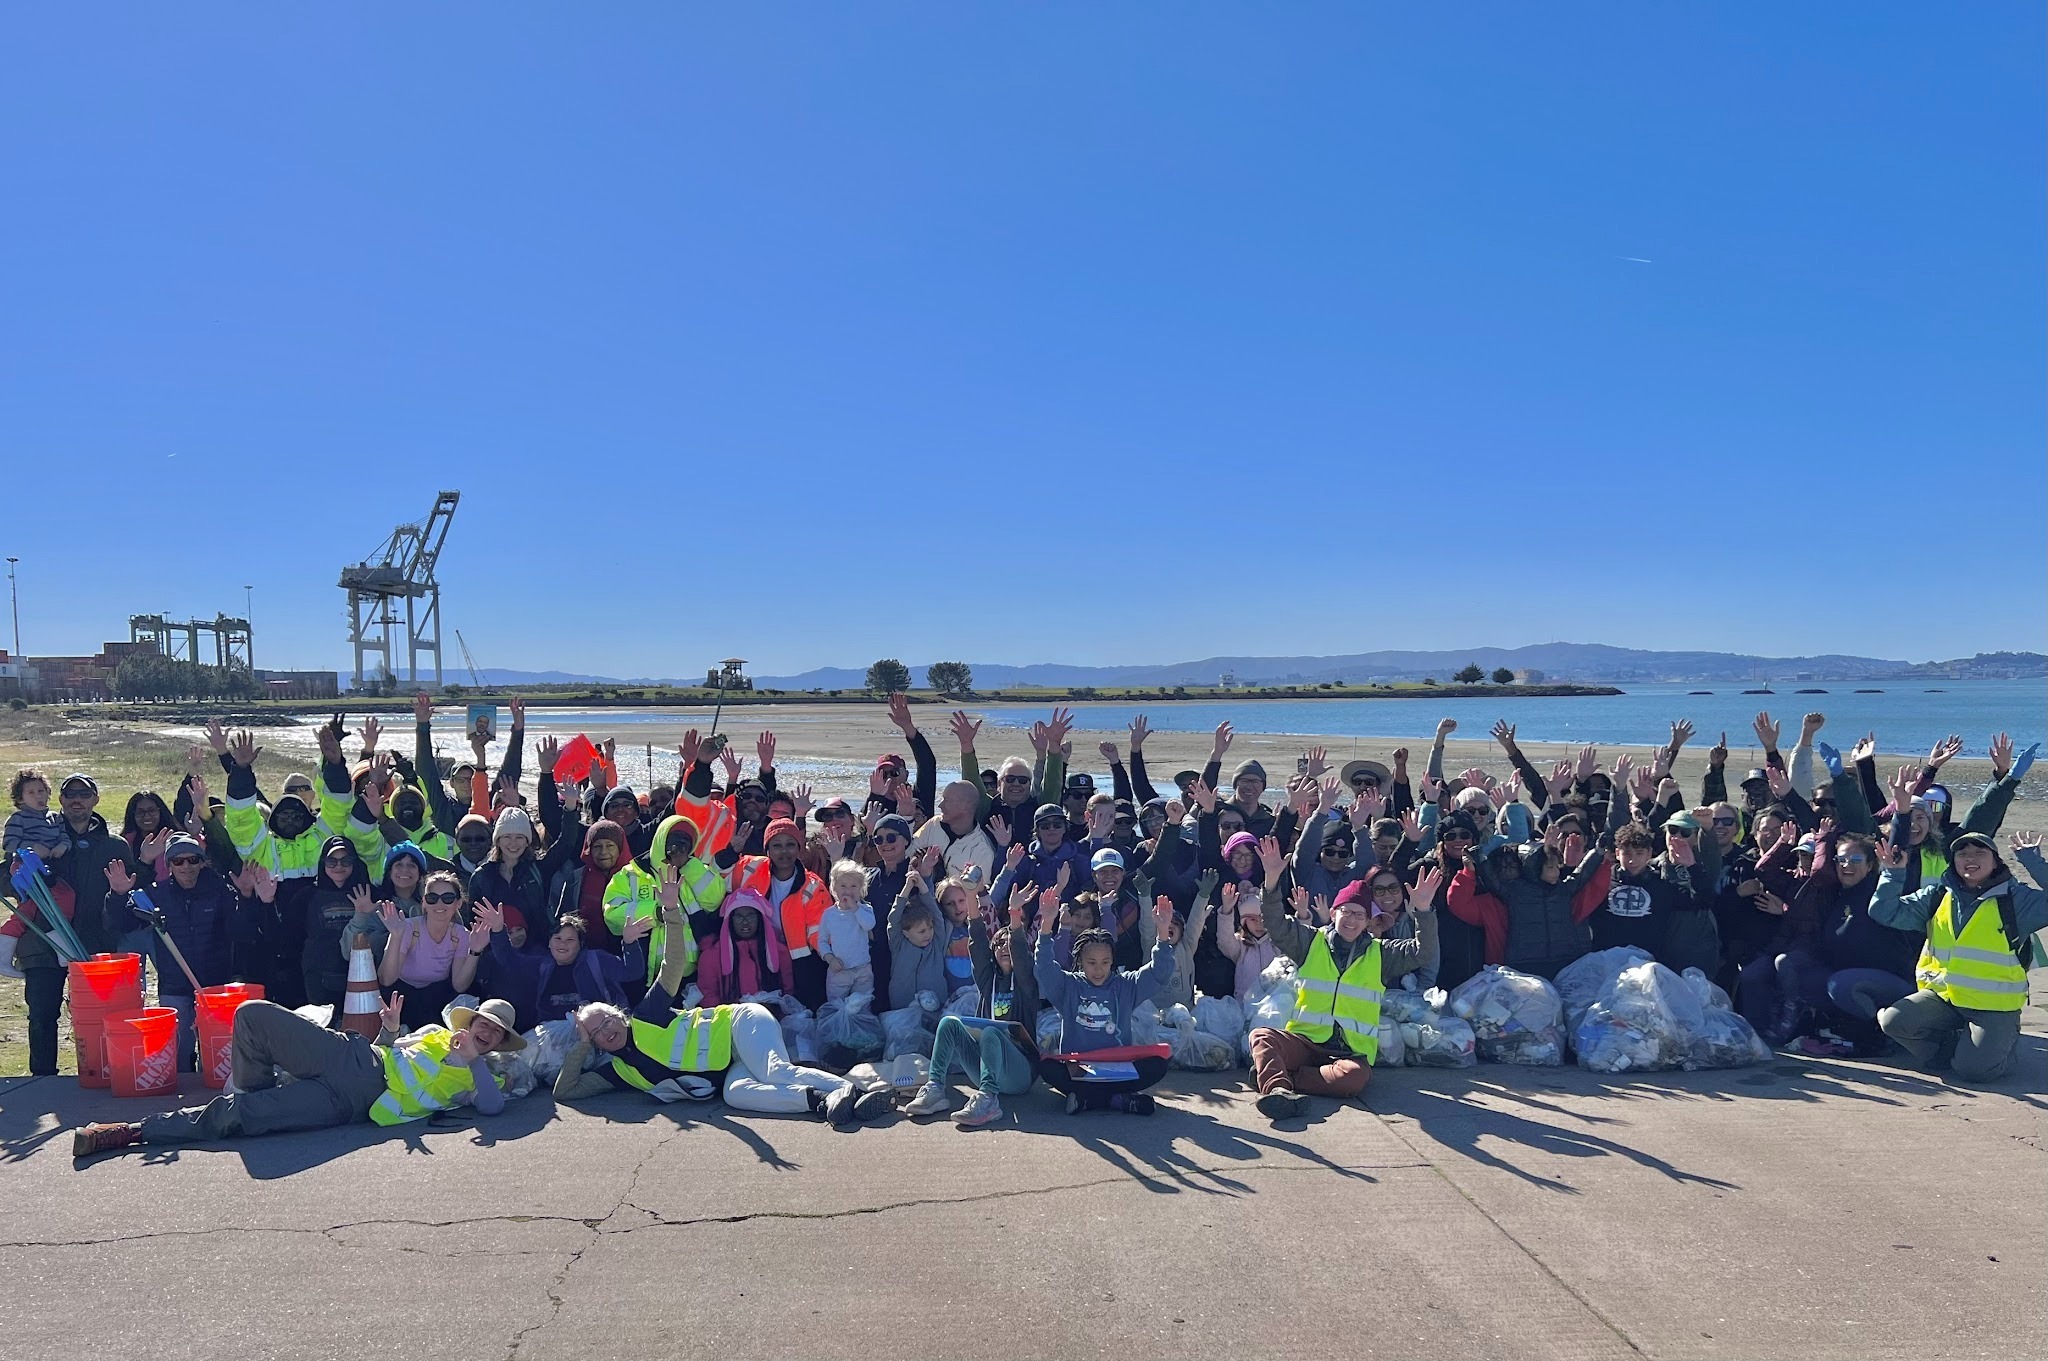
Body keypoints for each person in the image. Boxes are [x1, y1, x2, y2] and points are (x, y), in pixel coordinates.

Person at [550, 887, 889, 1123]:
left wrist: (670, 911)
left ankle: (850, 1089)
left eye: (606, 1021)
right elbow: (565, 1092)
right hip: (730, 1065)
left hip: (740, 1023)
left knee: (773, 1071)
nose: (605, 1031)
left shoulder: (647, 1014)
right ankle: (819, 1100)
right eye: (595, 1032)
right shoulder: (618, 1071)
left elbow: (672, 965)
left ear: (619, 1015)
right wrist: (580, 1045)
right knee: (738, 1094)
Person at [71, 993, 518, 1158]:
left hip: (353, 1105)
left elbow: (494, 1110)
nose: (485, 1032)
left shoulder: (486, 1080)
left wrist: (475, 1061)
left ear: (498, 1044)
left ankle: (131, 1133)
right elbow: (390, 1052)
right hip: (355, 1058)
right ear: (469, 1021)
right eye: (482, 1022)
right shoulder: (437, 1033)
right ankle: (256, 1098)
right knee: (251, 1014)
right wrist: (389, 1030)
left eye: (494, 1034)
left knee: (244, 1120)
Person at [1248, 868, 1444, 1120]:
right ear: (1333, 913)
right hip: (1307, 1041)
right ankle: (1278, 1090)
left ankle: (1284, 1075)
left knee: (1352, 1080)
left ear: (1368, 921)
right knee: (1262, 1036)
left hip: (1350, 1053)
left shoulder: (1381, 954)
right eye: (1346, 911)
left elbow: (1422, 952)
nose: (1352, 920)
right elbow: (1275, 923)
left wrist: (1424, 911)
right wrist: (1272, 881)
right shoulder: (1310, 942)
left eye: (1360, 915)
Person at [1868, 830, 2042, 1084]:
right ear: (1954, 861)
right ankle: (1948, 1050)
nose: (1970, 858)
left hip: (1993, 1007)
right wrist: (1893, 873)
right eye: (1962, 853)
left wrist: (2032, 860)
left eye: (1980, 852)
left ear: (1996, 861)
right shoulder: (1938, 895)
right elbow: (1883, 911)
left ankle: (2002, 1046)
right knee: (1894, 1020)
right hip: (1944, 998)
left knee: (1975, 1072)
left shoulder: (2017, 900)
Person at [101, 833, 246, 1072]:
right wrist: (117, 895)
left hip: (215, 986)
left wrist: (247, 896)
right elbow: (122, 924)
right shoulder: (156, 894)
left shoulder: (220, 890)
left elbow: (239, 931)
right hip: (175, 987)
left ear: (201, 862)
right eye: (178, 861)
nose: (186, 866)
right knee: (180, 1051)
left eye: (192, 860)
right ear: (168, 866)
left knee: (218, 1053)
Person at [1033, 888, 1178, 1115]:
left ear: (1112, 961)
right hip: (1079, 1069)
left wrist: (1162, 932)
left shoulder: (1125, 985)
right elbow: (1043, 968)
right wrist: (1047, 925)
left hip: (1118, 1069)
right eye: (1091, 962)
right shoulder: (1068, 986)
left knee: (1158, 1064)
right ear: (1080, 961)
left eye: (1105, 962)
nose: (1098, 969)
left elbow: (1159, 972)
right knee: (1046, 1066)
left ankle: (1089, 1101)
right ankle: (1118, 1101)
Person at [903, 907, 1041, 1126]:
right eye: (999, 944)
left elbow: (1022, 959)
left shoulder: (1027, 984)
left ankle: (988, 1101)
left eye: (1010, 944)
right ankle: (935, 1089)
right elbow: (976, 943)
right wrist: (970, 894)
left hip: (1020, 1074)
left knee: (990, 1033)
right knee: (949, 1023)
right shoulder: (988, 981)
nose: (1005, 948)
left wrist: (1015, 915)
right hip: (986, 1066)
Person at [605, 813, 726, 992]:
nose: (680, 846)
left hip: (689, 974)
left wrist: (688, 866)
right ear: (661, 839)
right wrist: (655, 913)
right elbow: (612, 915)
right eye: (674, 839)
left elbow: (714, 901)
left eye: (686, 841)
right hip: (642, 972)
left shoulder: (698, 870)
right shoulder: (631, 873)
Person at [722, 816, 832, 1010]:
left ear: (799, 849)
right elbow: (717, 878)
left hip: (798, 959)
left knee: (805, 1005)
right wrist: (730, 851)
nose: (784, 851)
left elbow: (818, 932)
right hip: (756, 948)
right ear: (767, 850)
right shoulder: (750, 867)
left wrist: (830, 956)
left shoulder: (814, 886)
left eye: (790, 844)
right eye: (777, 845)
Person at [476, 903, 645, 1030]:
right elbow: (508, 959)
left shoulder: (597, 960)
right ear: (549, 943)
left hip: (600, 1032)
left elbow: (632, 972)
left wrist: (629, 943)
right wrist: (498, 929)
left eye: (570, 940)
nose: (563, 944)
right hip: (554, 1037)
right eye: (557, 938)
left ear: (581, 944)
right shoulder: (542, 964)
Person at [378, 869, 482, 1030]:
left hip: (436, 1000)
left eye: (448, 898)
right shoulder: (408, 927)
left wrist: (475, 951)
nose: (439, 904)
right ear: (424, 903)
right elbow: (386, 980)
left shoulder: (462, 935)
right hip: (402, 998)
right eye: (432, 898)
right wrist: (396, 936)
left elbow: (459, 986)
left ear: (458, 903)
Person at [1, 767, 69, 981]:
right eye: (31, 793)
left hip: (47, 868)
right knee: (38, 904)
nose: (38, 796)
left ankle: (5, 952)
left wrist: (63, 846)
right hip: (24, 865)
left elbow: (64, 837)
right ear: (20, 799)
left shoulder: (55, 818)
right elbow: (9, 843)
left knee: (51, 902)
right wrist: (32, 847)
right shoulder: (18, 819)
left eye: (41, 791)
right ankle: (60, 945)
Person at [693, 889, 794, 1008]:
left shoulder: (779, 952)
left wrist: (775, 1010)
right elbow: (707, 994)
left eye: (751, 916)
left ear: (760, 919)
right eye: (738, 917)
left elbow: (788, 991)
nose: (745, 922)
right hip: (728, 1021)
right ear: (730, 920)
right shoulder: (711, 956)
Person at [818, 860, 877, 1003]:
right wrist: (830, 958)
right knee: (836, 1005)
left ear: (861, 889)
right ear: (834, 888)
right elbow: (822, 941)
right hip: (839, 971)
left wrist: (854, 907)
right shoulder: (829, 914)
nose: (848, 891)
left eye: (854, 886)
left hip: (862, 969)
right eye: (843, 885)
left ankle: (861, 1024)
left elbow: (869, 925)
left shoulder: (865, 909)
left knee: (862, 1004)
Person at [1214, 882, 1278, 997]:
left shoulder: (1276, 943)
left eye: (1262, 919)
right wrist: (1227, 910)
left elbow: (1296, 944)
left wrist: (1303, 915)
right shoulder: (1241, 945)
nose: (1259, 924)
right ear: (1244, 922)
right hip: (1245, 1002)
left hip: (1274, 1002)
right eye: (1252, 920)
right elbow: (1224, 941)